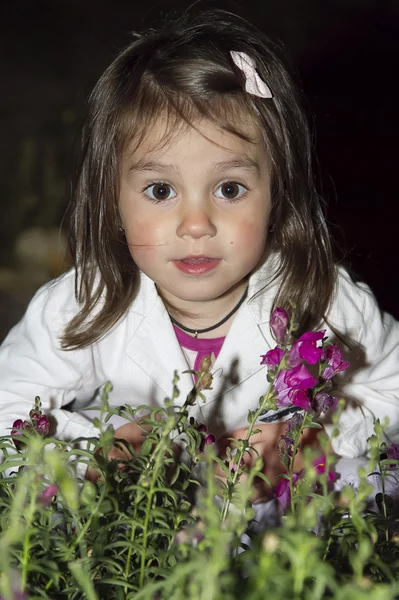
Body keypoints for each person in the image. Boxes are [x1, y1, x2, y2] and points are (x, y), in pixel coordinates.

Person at [0, 9, 398, 503]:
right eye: (160, 189)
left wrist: (310, 443)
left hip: (278, 531)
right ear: (111, 199)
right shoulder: (82, 304)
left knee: (370, 483)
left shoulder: (321, 297)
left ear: (278, 194)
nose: (195, 224)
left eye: (230, 189)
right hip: (130, 539)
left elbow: (390, 391)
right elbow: (7, 410)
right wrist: (98, 448)